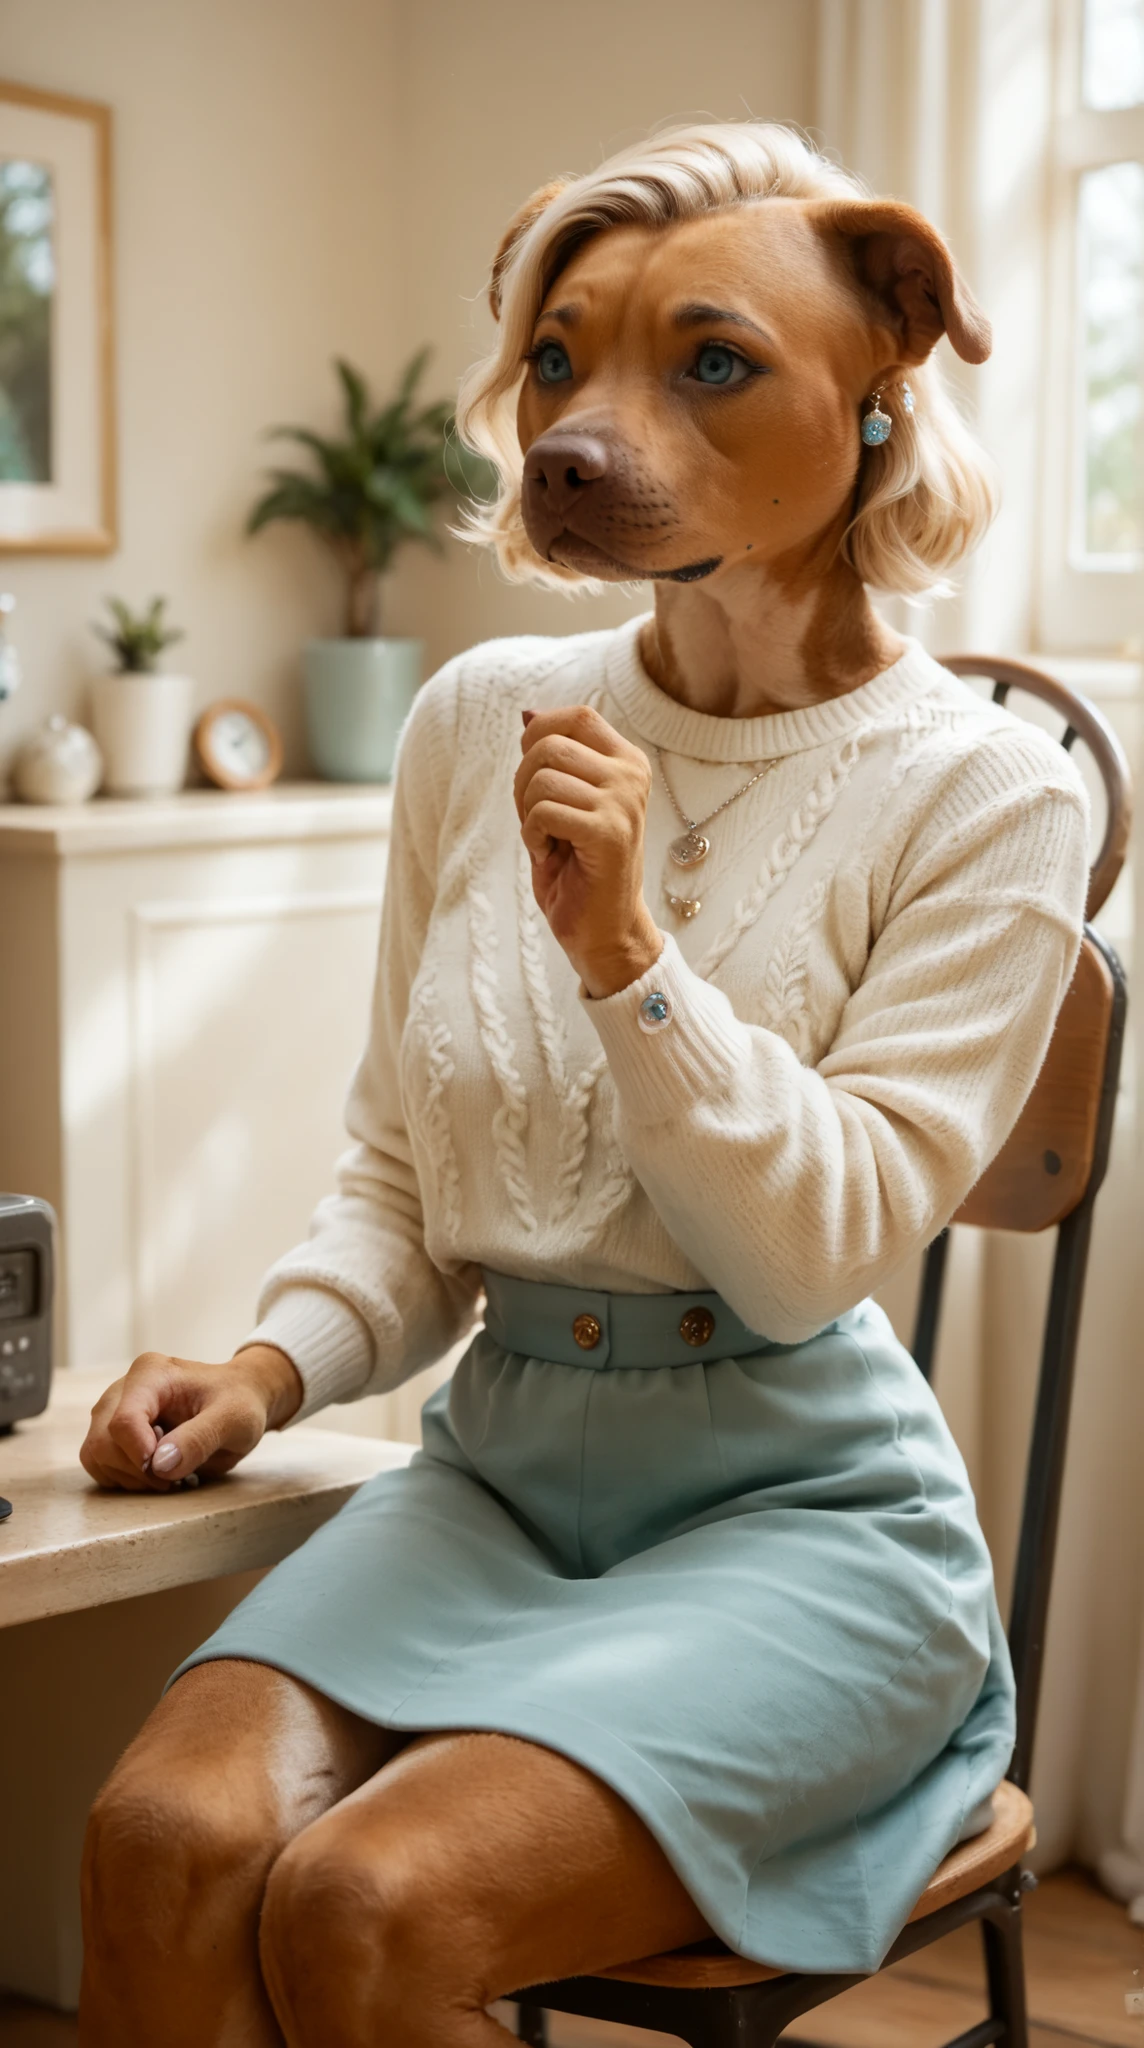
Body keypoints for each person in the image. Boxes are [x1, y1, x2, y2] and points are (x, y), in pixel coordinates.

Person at [78, 123, 1088, 2048]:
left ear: (885, 375)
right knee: (155, 1839)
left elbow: (818, 1257)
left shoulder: (991, 793)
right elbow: (403, 1161)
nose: (582, 429)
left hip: (805, 1525)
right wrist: (276, 1364)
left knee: (372, 1906)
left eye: (711, 361)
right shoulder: (478, 723)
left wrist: (633, 955)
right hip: (506, 1476)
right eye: (561, 362)